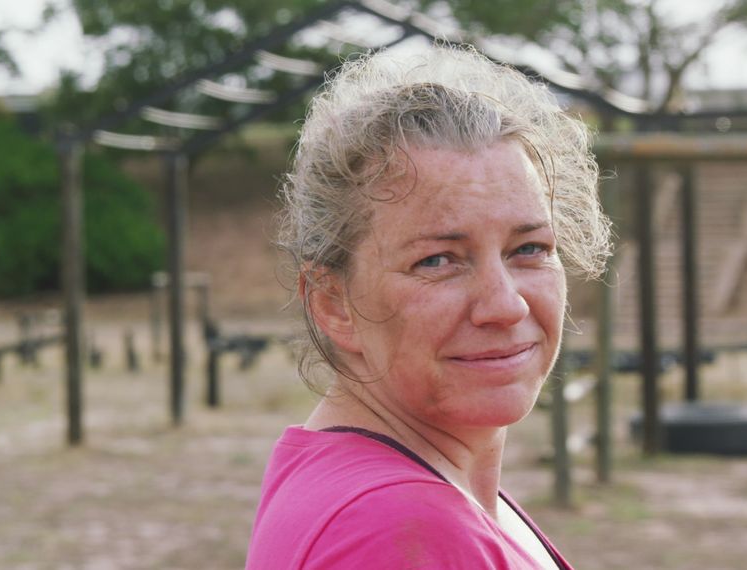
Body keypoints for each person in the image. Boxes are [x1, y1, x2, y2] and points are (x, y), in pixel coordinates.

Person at [246, 44, 611, 569]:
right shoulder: (398, 528)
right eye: (438, 260)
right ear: (333, 304)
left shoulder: (404, 491)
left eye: (529, 249)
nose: (504, 306)